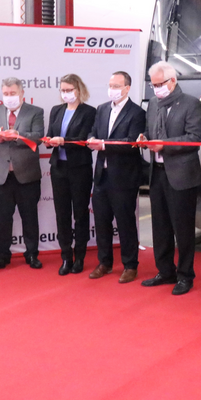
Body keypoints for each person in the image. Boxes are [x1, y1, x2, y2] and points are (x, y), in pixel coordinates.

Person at [139, 61, 201, 295]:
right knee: (160, 226)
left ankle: (185, 275)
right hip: (157, 173)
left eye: (160, 84)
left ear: (173, 81)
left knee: (182, 228)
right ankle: (165, 270)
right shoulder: (153, 104)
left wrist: (164, 145)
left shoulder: (191, 104)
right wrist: (144, 138)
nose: (156, 89)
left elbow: (194, 138)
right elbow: (151, 132)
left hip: (182, 175)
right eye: (153, 85)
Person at [86, 71, 145, 283]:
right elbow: (93, 131)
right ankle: (105, 262)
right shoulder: (102, 109)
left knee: (125, 222)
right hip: (101, 175)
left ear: (127, 88)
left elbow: (132, 143)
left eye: (117, 86)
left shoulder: (137, 113)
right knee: (102, 221)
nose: (112, 90)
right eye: (110, 86)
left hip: (124, 177)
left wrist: (104, 145)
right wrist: (92, 139)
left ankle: (130, 265)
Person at [0, 77, 45, 270]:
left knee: (30, 217)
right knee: (3, 218)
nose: (9, 97)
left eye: (13, 93)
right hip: (1, 176)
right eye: (6, 94)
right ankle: (2, 255)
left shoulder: (35, 112)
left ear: (22, 93)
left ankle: (32, 254)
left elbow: (38, 137)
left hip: (27, 175)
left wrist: (16, 136)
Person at [45, 74, 96, 276]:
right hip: (59, 168)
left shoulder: (89, 112)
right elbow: (50, 133)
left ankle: (80, 256)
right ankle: (66, 256)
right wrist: (49, 141)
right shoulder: (56, 110)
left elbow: (83, 139)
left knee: (80, 213)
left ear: (79, 90)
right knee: (62, 213)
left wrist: (62, 141)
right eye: (63, 90)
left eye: (69, 90)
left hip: (79, 168)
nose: (65, 94)